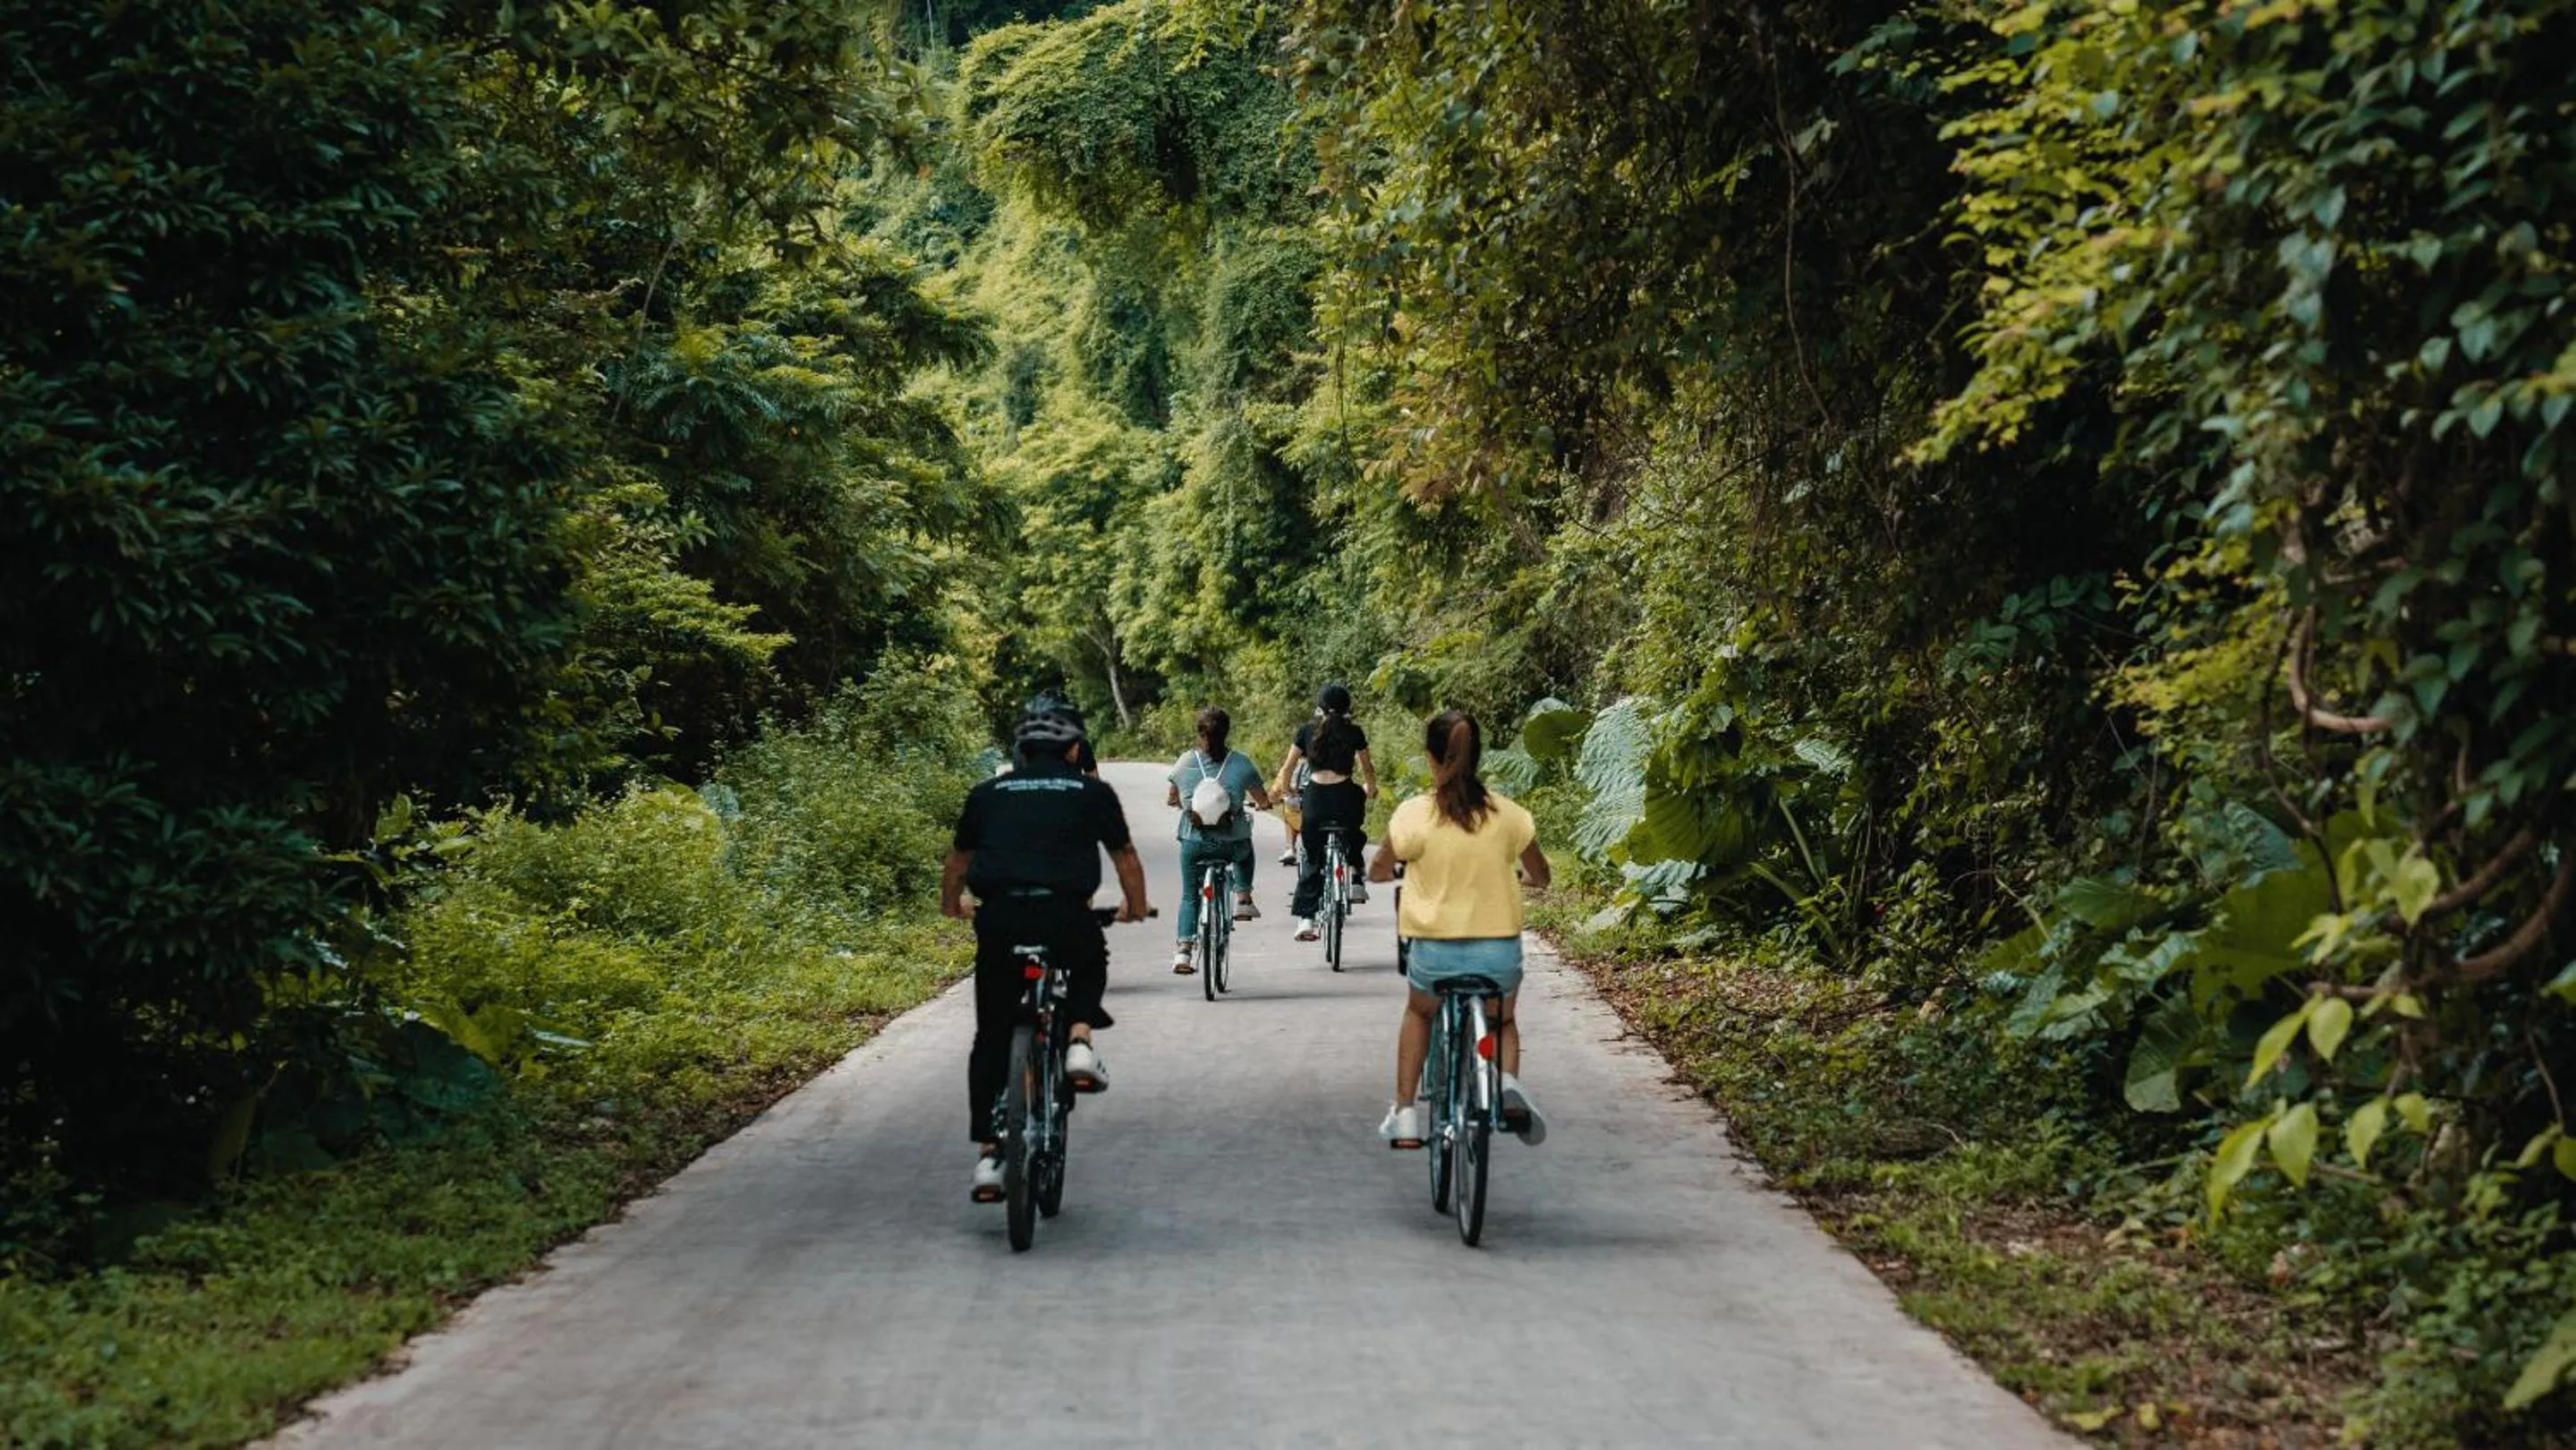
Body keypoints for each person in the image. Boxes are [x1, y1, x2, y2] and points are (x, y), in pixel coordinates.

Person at [942, 704, 1151, 1201]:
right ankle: (1079, 1040)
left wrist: (954, 905)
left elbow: (958, 862)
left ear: (1020, 751)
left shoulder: (988, 794)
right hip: (1065, 915)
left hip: (1000, 919)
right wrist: (1135, 908)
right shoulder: (1092, 792)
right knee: (1088, 959)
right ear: (1074, 748)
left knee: (990, 1035)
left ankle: (991, 1158)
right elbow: (1126, 859)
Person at [1368, 709, 1551, 1148]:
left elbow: (1378, 869)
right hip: (1497, 956)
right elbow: (1541, 874)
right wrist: (1523, 879)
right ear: (1478, 756)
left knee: (1420, 1013)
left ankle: (1407, 1114)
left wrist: (1389, 872)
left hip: (1434, 954)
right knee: (1502, 1020)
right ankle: (1506, 1083)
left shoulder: (1414, 815)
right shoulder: (1510, 816)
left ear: (1431, 757)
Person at [1165, 706, 1273, 973]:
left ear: (1199, 733)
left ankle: (1183, 952)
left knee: (1190, 896)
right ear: (1227, 733)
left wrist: (1181, 801)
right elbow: (1262, 799)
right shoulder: (1241, 763)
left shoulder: (1184, 762)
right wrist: (1263, 804)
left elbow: (1171, 797)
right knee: (1245, 850)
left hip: (1194, 842)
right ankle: (1244, 899)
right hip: (1231, 843)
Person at [1277, 682, 1378, 940]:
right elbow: (1367, 769)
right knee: (1354, 830)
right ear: (1347, 708)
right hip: (1345, 796)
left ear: (1319, 707)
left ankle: (1306, 920)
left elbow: (1288, 768)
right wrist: (1371, 788)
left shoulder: (1306, 731)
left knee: (1312, 857)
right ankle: (1356, 878)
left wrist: (1287, 790)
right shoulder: (1354, 732)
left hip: (1316, 799)